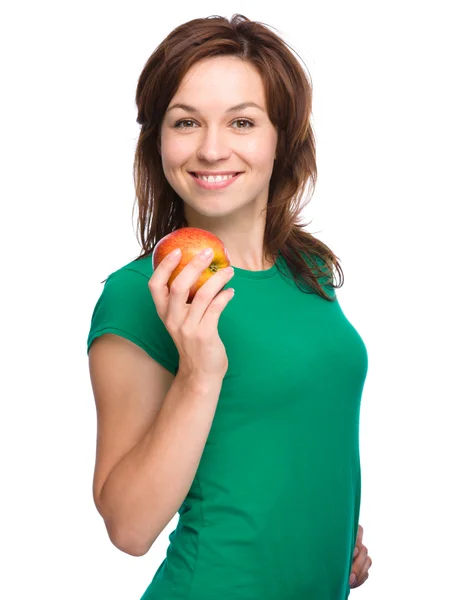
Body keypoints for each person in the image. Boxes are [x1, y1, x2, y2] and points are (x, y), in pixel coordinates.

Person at [87, 14, 373, 599]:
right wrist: (200, 374)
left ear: (281, 138)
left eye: (242, 122)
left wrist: (327, 533)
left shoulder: (308, 270)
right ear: (158, 140)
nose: (212, 149)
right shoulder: (144, 291)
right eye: (186, 122)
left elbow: (288, 436)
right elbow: (129, 527)